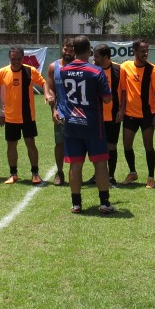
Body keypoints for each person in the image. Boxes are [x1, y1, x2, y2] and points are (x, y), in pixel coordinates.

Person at [54, 36, 114, 214]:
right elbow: (107, 99)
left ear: (74, 50)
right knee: (100, 163)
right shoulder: (96, 71)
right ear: (89, 50)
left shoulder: (64, 70)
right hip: (93, 124)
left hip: (72, 123)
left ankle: (76, 204)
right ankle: (104, 203)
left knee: (75, 164)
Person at [0, 46, 48, 184]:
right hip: (10, 117)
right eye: (13, 59)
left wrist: (46, 93)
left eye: (18, 59)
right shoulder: (2, 72)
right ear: (9, 58)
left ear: (23, 58)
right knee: (11, 146)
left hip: (28, 116)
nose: (15, 61)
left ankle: (35, 173)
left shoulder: (30, 70)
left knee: (30, 144)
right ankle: (13, 174)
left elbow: (43, 82)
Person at [117, 39, 155, 188]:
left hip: (147, 114)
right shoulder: (125, 67)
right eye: (142, 51)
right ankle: (132, 173)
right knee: (127, 144)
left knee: (148, 145)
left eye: (147, 51)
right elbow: (123, 90)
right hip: (130, 114)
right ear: (134, 51)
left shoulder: (153, 69)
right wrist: (122, 109)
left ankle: (151, 177)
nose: (145, 53)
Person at [46, 38, 75, 186]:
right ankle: (60, 172)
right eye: (66, 49)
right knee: (59, 143)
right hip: (61, 112)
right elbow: (50, 88)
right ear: (61, 48)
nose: (68, 53)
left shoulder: (79, 67)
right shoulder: (53, 67)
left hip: (77, 113)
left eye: (71, 50)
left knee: (76, 144)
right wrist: (53, 109)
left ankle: (74, 173)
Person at [93, 44, 121, 185]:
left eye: (97, 56)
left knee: (111, 146)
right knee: (97, 147)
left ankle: (110, 177)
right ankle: (97, 175)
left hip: (113, 115)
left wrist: (122, 110)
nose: (94, 59)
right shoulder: (92, 69)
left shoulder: (118, 69)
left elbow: (124, 91)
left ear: (105, 57)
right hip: (96, 116)